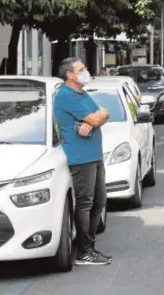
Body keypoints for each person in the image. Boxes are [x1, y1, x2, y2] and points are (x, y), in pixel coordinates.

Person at [53, 57, 111, 266]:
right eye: (81, 69)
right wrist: (95, 119)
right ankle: (84, 251)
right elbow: (97, 118)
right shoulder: (66, 96)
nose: (86, 72)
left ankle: (89, 246)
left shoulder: (82, 94)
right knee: (85, 202)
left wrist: (95, 119)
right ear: (70, 75)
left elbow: (105, 112)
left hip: (94, 154)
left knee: (99, 201)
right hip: (80, 156)